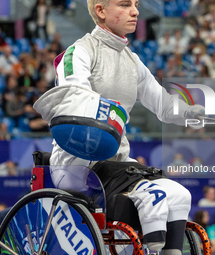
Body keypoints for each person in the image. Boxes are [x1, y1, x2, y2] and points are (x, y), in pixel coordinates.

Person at [32, 0, 206, 253]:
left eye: (135, 4)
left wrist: (190, 112)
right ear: (101, 11)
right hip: (77, 165)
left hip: (117, 166)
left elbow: (163, 104)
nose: (135, 11)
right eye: (125, 5)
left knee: (178, 194)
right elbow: (74, 99)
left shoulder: (132, 61)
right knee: (153, 198)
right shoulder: (78, 52)